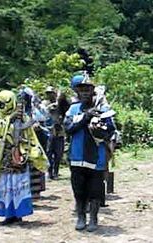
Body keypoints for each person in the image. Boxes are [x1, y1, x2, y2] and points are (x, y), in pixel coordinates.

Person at [65, 74, 115, 232]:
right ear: (77, 92)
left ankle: (93, 218)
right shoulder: (73, 109)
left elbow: (111, 130)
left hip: (97, 157)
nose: (85, 92)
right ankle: (81, 216)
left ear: (93, 91)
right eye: (81, 90)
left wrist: (101, 128)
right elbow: (69, 129)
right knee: (78, 189)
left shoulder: (103, 109)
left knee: (95, 190)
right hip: (77, 156)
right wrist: (86, 118)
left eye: (88, 89)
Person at [0, 90, 47, 225]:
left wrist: (35, 155)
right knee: (5, 187)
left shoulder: (22, 118)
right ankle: (7, 214)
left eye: (3, 104)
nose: (1, 107)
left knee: (18, 186)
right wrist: (8, 120)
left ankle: (18, 215)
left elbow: (29, 135)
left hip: (19, 157)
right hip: (3, 159)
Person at [42, 86, 68, 179]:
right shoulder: (45, 104)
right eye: (48, 93)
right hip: (48, 131)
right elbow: (42, 114)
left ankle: (56, 172)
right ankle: (49, 172)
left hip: (59, 131)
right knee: (48, 153)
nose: (50, 95)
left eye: (51, 93)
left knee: (58, 153)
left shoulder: (61, 104)